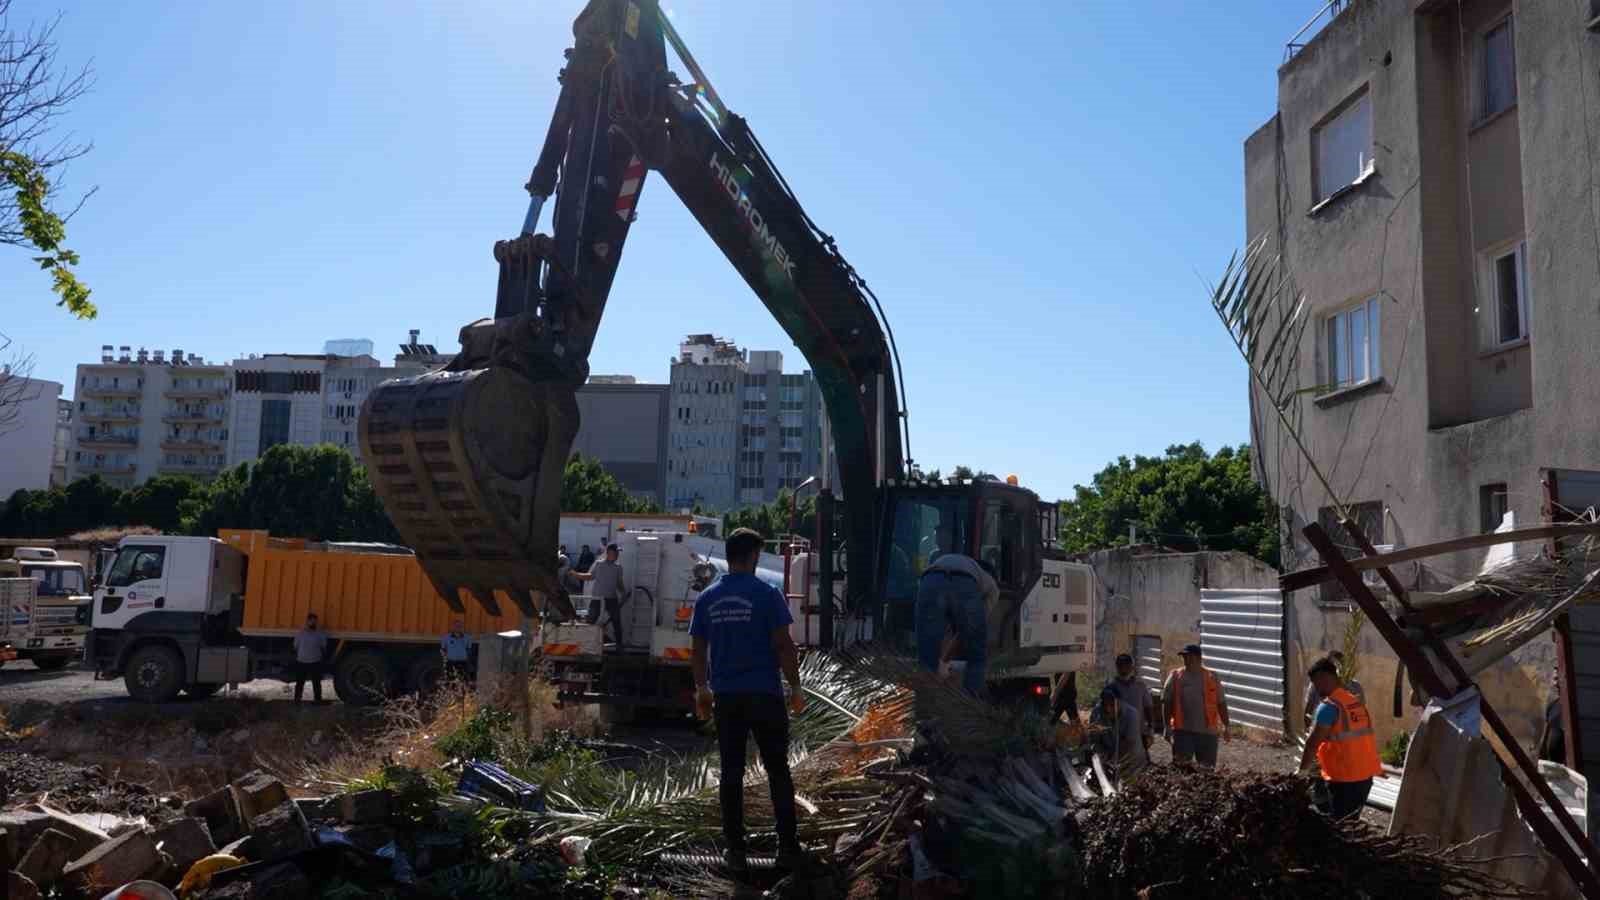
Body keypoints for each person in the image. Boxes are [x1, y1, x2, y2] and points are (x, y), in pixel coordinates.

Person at [689, 527, 805, 876]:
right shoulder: (767, 594)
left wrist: (701, 688)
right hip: (765, 696)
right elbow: (785, 645)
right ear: (754, 555)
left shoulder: (708, 598)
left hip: (727, 698)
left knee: (731, 774)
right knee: (778, 771)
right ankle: (787, 847)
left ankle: (735, 851)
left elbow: (697, 648)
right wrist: (795, 688)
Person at [1297, 655, 1381, 819]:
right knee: (1351, 824)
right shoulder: (1355, 703)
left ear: (1325, 678)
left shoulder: (1329, 707)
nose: (1315, 688)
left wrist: (1302, 773)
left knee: (1340, 828)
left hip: (1344, 780)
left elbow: (1312, 744)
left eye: (1315, 683)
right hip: (1365, 777)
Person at [914, 552, 997, 695]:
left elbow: (943, 629)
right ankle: (970, 706)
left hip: (929, 580)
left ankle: (925, 706)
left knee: (926, 658)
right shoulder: (989, 581)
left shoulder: (952, 561)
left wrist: (941, 662)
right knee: (976, 657)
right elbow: (975, 624)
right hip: (962, 581)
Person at [1162, 644, 1231, 766]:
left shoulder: (1212, 676)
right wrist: (1166, 726)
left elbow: (1221, 703)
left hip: (1207, 733)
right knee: (1181, 769)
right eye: (1184, 657)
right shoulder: (1175, 676)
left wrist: (1226, 726)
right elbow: (1166, 702)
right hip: (1182, 732)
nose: (1186, 659)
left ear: (1198, 658)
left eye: (1189, 657)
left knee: (1207, 771)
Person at [574, 544, 627, 646]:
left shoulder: (618, 567)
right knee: (591, 621)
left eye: (618, 553)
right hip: (597, 599)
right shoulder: (599, 564)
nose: (617, 555)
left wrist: (623, 593)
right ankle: (584, 644)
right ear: (608, 553)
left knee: (616, 622)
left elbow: (619, 583)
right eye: (615, 552)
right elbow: (590, 577)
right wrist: (577, 575)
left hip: (612, 599)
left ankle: (619, 647)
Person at [1091, 685, 1148, 780]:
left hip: (1132, 761)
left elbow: (1128, 742)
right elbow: (1094, 740)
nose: (1108, 709)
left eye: (1112, 705)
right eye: (1105, 704)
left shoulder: (1132, 714)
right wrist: (1101, 756)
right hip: (1108, 760)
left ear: (1120, 702)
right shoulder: (1097, 713)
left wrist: (1112, 759)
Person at [1302, 650, 1366, 728]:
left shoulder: (1355, 687)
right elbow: (1309, 709)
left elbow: (1361, 713)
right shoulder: (1315, 685)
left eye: (1339, 665)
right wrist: (1308, 730)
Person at [1109, 652, 1157, 752]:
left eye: (1126, 665)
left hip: (1139, 732)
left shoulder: (1140, 686)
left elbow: (1148, 707)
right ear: (1117, 667)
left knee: (1141, 763)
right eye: (1120, 665)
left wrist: (1151, 728)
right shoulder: (1111, 687)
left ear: (1132, 667)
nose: (1123, 668)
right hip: (1120, 733)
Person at [293, 613, 328, 704]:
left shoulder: (318, 633)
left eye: (315, 621)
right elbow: (323, 646)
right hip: (303, 661)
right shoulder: (301, 633)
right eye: (312, 621)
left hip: (313, 661)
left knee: (315, 683)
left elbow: (295, 646)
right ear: (308, 621)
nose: (313, 623)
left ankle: (317, 699)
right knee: (301, 682)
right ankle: (297, 699)